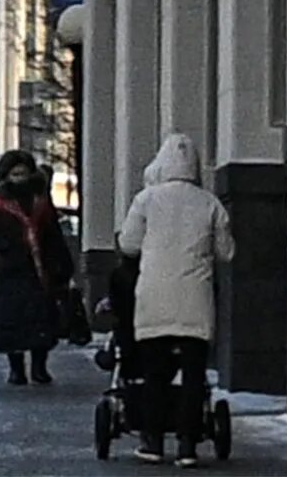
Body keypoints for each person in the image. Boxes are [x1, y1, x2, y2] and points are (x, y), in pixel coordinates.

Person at [118, 133, 235, 468]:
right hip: (195, 302)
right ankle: (187, 446)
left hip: (154, 299)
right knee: (193, 376)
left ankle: (153, 442)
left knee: (155, 374)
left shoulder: (145, 199)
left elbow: (129, 244)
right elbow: (227, 252)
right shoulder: (210, 202)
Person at [0, 150, 74, 385]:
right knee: (12, 321)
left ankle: (40, 367)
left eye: (23, 173)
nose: (20, 178)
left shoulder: (40, 200)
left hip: (40, 270)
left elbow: (53, 234)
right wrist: (4, 245)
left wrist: (63, 265)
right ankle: (16, 368)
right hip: (10, 270)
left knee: (41, 320)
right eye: (15, 174)